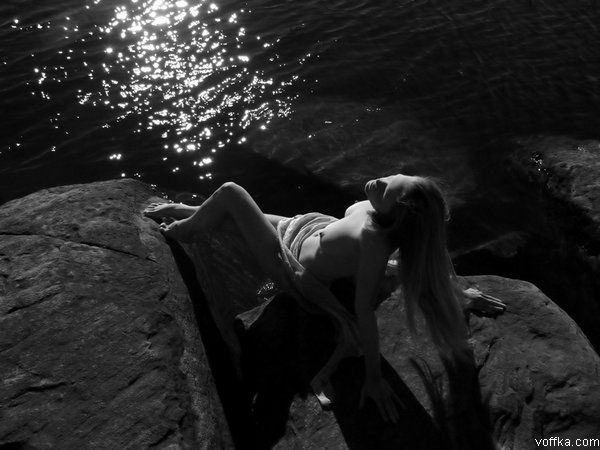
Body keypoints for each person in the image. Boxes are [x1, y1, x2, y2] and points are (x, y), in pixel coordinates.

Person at [143, 174, 506, 423]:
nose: (381, 181)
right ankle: (194, 213)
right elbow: (434, 250)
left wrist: (374, 377)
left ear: (394, 215)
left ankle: (185, 229)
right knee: (237, 214)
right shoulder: (385, 213)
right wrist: (460, 293)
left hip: (293, 266)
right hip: (306, 227)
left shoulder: (374, 242)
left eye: (387, 191)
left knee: (231, 192)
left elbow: (364, 309)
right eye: (397, 176)